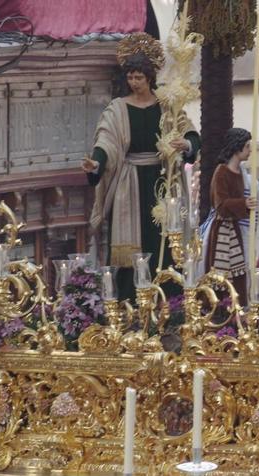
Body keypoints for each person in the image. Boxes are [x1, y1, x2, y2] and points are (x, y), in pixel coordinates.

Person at [85, 36, 200, 297]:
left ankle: (168, 300)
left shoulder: (167, 106)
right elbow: (106, 141)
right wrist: (96, 163)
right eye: (130, 77)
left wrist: (186, 143)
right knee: (132, 250)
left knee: (165, 243)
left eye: (139, 77)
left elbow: (189, 131)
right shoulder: (118, 108)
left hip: (162, 181)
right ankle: (129, 303)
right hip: (130, 183)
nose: (134, 82)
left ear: (149, 77)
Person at [199, 128, 259, 303]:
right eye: (248, 147)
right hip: (224, 234)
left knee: (241, 273)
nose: (250, 151)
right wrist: (243, 204)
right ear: (237, 148)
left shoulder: (243, 173)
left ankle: (239, 309)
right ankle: (222, 310)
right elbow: (220, 204)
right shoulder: (222, 172)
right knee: (228, 275)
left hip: (239, 231)